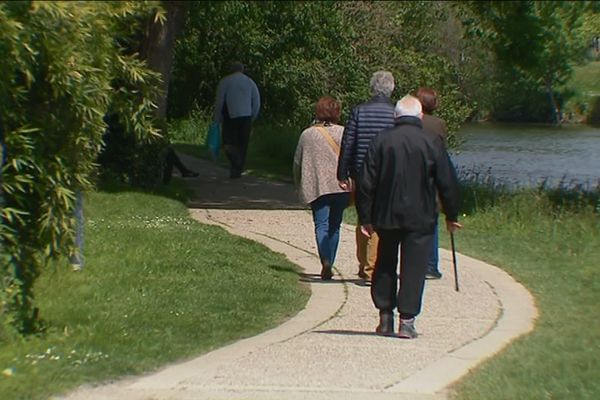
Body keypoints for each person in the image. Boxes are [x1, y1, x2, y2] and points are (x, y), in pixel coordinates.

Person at [356, 95, 461, 338]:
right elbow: (447, 181)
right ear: (420, 116)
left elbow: (365, 181)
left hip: (386, 213)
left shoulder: (381, 141)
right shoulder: (431, 141)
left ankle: (384, 315)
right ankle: (407, 320)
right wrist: (451, 214)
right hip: (421, 215)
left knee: (385, 261)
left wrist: (366, 217)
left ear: (395, 116)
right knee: (414, 267)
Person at [337, 71, 396, 285]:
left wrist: (342, 173)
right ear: (391, 89)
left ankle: (363, 263)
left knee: (364, 216)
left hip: (361, 172)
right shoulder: (395, 113)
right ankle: (372, 267)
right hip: (386, 172)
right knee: (379, 218)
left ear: (372, 88)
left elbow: (348, 143)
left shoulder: (359, 111)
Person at [294, 96, 351, 280]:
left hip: (317, 186)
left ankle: (325, 261)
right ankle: (330, 262)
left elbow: (297, 162)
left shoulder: (307, 134)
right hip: (341, 186)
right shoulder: (344, 133)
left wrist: (298, 183)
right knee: (335, 226)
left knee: (321, 225)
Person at [416, 87, 448, 280]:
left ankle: (414, 262)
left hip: (413, 174)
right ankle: (431, 265)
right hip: (432, 175)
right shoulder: (439, 124)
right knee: (432, 221)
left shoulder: (413, 122)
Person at [214, 62, 261, 179]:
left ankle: (236, 164)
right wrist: (252, 116)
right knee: (242, 144)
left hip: (231, 116)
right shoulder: (250, 82)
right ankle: (237, 168)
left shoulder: (225, 81)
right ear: (242, 70)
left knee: (228, 142)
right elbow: (256, 101)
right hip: (246, 116)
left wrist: (217, 119)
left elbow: (219, 102)